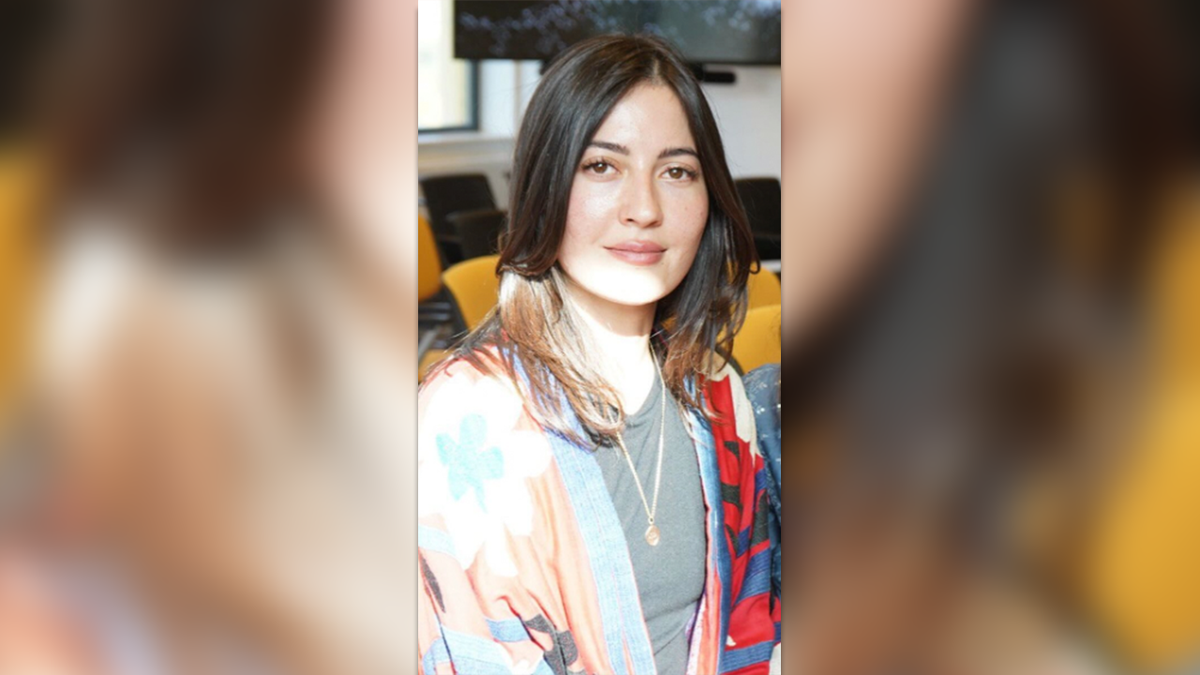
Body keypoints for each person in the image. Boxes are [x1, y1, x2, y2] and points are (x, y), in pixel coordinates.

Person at [417, 34, 780, 675]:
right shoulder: (466, 417)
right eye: (602, 167)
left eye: (677, 172)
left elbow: (751, 629)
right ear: (544, 188)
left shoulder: (718, 392)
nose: (644, 209)